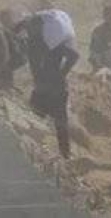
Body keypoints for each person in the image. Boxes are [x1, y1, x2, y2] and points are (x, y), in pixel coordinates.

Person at [24, 9, 80, 159]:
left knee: (59, 122)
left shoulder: (52, 42)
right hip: (43, 87)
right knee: (33, 118)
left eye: (33, 27)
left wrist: (61, 74)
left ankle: (65, 155)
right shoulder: (33, 42)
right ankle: (34, 153)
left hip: (55, 87)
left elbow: (74, 56)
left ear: (40, 27)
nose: (30, 30)